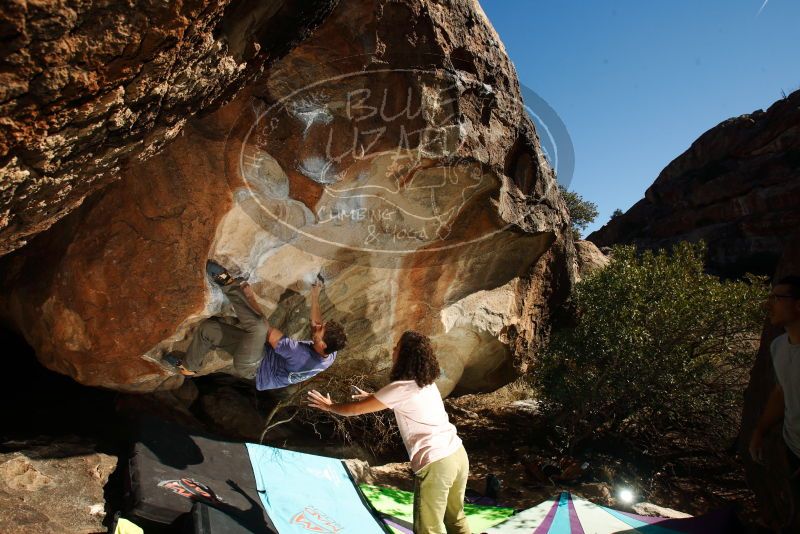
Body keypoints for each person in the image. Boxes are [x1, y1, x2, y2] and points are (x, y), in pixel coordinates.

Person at [307, 330, 470, 534]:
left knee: (429, 529)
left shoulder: (400, 388)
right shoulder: (426, 382)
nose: (393, 350)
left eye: (397, 347)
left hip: (437, 463)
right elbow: (408, 403)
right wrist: (374, 397)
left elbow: (354, 410)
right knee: (456, 519)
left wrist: (330, 406)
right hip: (457, 454)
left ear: (404, 356)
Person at [164, 260, 347, 391]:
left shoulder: (300, 355)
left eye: (319, 332)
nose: (316, 328)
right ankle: (189, 367)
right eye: (320, 327)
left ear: (322, 345)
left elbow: (264, 329)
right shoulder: (331, 351)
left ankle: (226, 283)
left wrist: (250, 297)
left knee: (258, 328)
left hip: (253, 366)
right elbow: (316, 322)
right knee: (208, 330)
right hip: (261, 352)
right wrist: (315, 294)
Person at [750, 275, 800, 474]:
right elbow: (781, 391)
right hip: (793, 450)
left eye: (775, 299)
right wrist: (760, 431)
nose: (767, 305)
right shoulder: (778, 346)